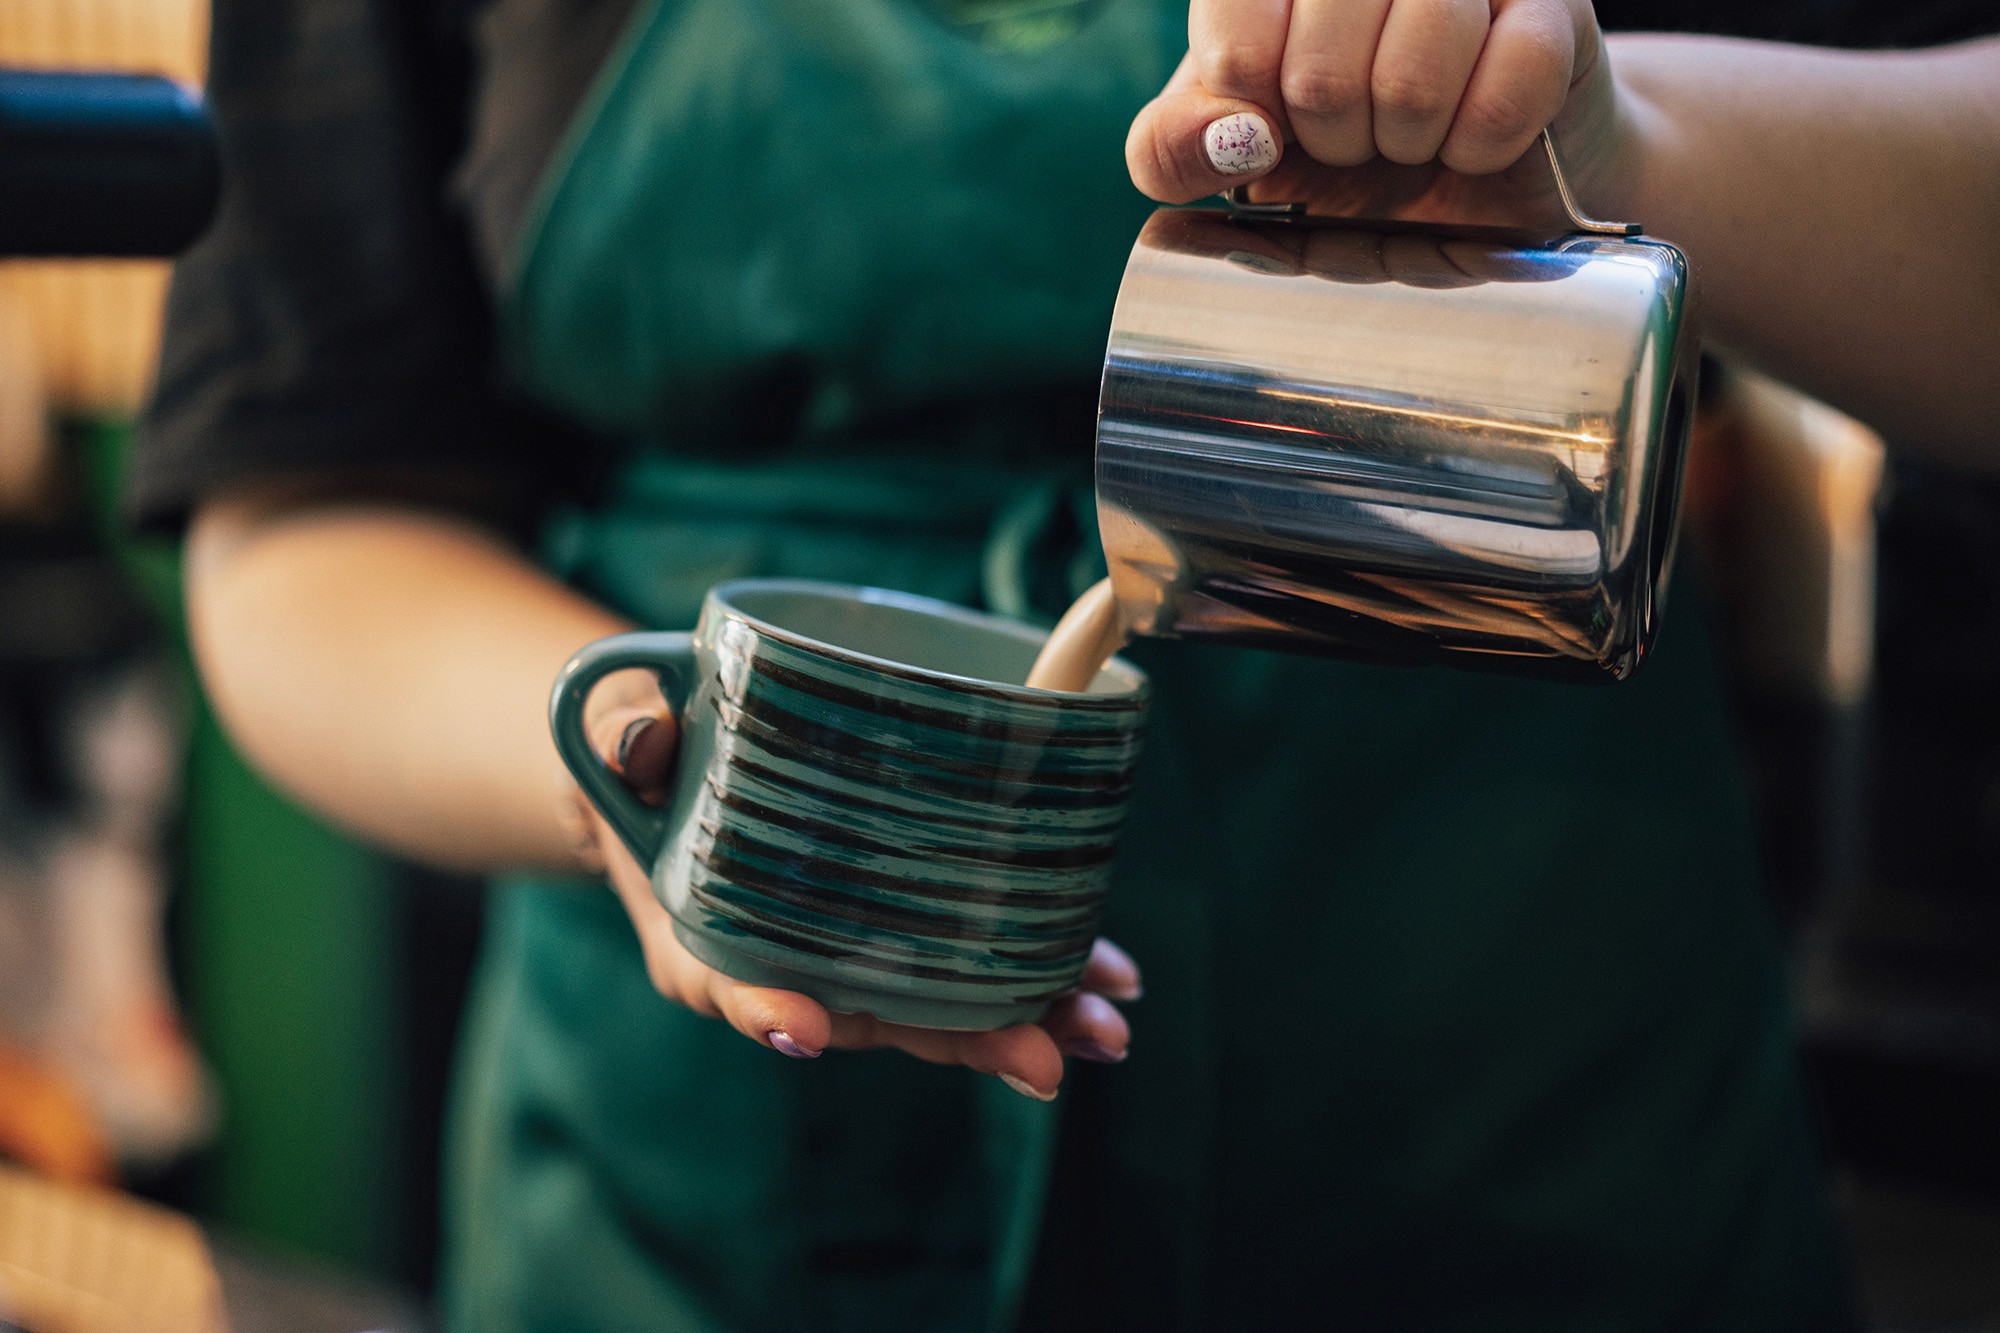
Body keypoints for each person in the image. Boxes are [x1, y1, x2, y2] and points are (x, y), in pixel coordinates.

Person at [129, 0, 1996, 1326]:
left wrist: (1629, 145)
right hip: (709, 1210)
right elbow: (299, 527)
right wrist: (642, 757)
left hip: (1521, 1115)